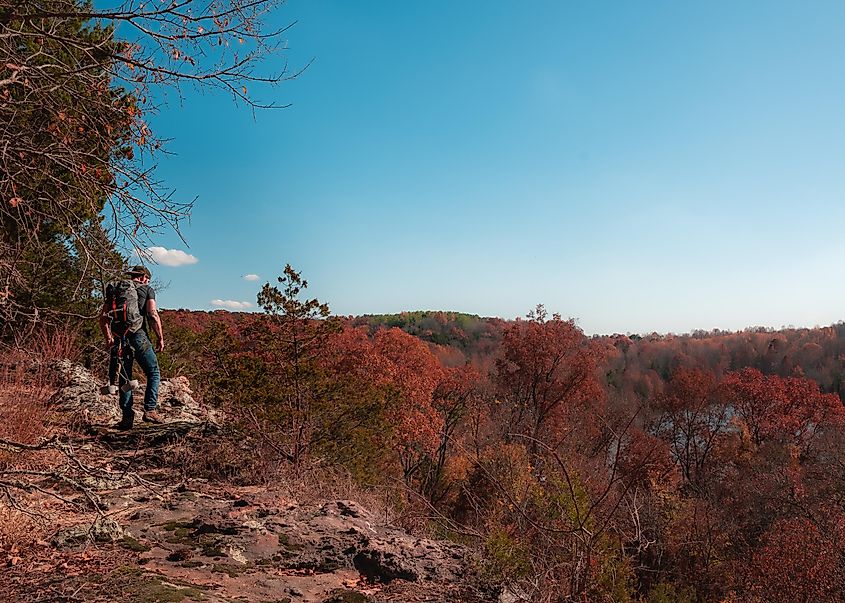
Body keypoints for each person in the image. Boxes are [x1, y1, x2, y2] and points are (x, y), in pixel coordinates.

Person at [99, 265, 165, 429]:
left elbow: (103, 317)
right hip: (137, 335)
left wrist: (108, 338)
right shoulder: (147, 289)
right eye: (147, 279)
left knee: (125, 378)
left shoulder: (115, 290)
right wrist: (160, 338)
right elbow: (152, 314)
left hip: (118, 337)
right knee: (153, 372)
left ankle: (127, 418)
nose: (147, 282)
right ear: (143, 277)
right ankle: (149, 410)